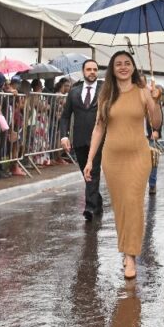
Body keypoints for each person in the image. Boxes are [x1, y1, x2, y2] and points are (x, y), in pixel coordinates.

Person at [84, 52, 161, 279]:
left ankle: (131, 255)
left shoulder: (143, 92)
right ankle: (127, 250)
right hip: (112, 159)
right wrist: (90, 159)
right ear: (112, 69)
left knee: (133, 203)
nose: (123, 67)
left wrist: (155, 101)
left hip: (139, 156)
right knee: (121, 206)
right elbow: (99, 128)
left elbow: (156, 123)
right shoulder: (106, 95)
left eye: (127, 63)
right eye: (118, 64)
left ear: (133, 67)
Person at [61, 59, 103, 221]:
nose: (92, 72)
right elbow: (65, 116)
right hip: (78, 140)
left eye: (95, 69)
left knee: (93, 170)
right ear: (83, 71)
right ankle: (97, 200)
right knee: (85, 172)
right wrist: (64, 136)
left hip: (97, 140)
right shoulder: (74, 92)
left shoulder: (104, 90)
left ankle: (89, 207)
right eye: (89, 69)